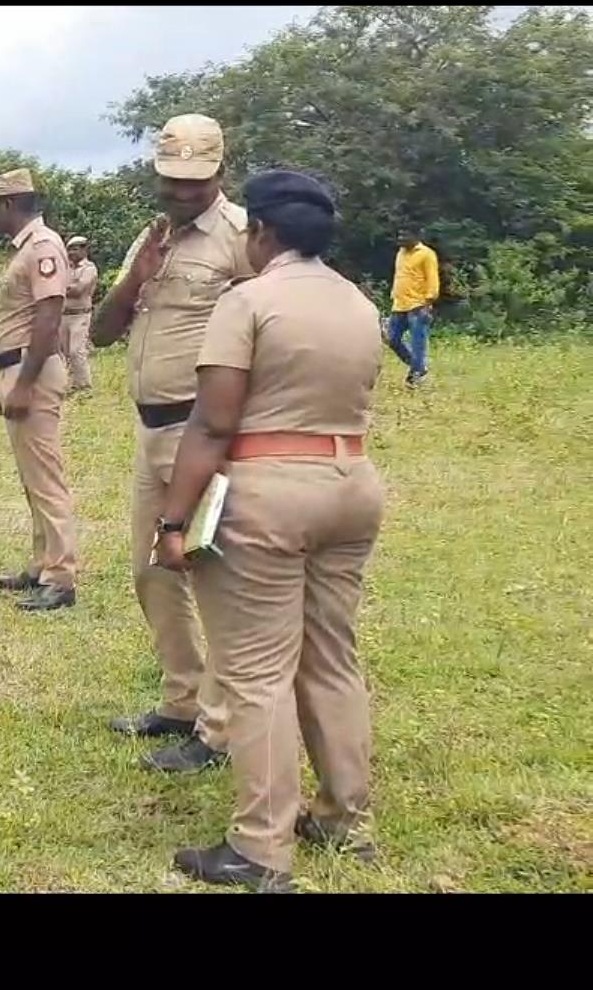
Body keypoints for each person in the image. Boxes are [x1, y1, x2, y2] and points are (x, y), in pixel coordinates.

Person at [153, 170, 384, 892]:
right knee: (332, 659)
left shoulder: (248, 301)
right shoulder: (358, 302)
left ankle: (260, 848)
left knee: (256, 674)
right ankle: (346, 820)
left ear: (263, 233)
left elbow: (215, 420)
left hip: (268, 492)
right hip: (350, 484)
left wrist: (173, 520)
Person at [92, 113, 254, 773]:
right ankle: (182, 701)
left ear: (221, 170)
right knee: (151, 572)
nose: (183, 191)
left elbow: (262, 338)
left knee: (212, 581)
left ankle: (218, 732)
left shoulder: (245, 238)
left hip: (205, 430)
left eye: (197, 180)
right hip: (150, 427)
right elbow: (102, 331)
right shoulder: (151, 236)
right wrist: (138, 276)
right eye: (171, 180)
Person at [0, 168, 79, 612]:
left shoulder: (42, 247)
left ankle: (61, 575)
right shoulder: (24, 249)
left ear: (8, 204)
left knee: (45, 476)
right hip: (16, 367)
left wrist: (23, 381)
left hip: (30, 370)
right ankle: (42, 564)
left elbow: (48, 316)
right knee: (31, 477)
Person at [388, 225, 439, 387]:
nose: (401, 238)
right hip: (399, 304)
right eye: (400, 235)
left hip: (418, 305)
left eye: (405, 235)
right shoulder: (400, 253)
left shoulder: (426, 254)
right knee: (392, 339)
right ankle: (419, 367)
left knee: (418, 343)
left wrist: (428, 302)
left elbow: (432, 279)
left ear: (416, 235)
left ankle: (416, 374)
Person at [61, 236, 98, 393]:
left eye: (75, 248)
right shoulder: (66, 268)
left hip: (80, 315)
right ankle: (70, 385)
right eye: (69, 249)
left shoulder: (89, 268)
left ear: (84, 250)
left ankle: (84, 386)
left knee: (77, 350)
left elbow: (78, 290)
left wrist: (61, 287)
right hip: (63, 315)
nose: (71, 252)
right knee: (63, 353)